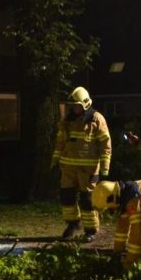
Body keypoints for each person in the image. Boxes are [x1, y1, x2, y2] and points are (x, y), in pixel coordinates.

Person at [51, 86, 111, 242]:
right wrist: (54, 161)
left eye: (77, 105)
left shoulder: (97, 119)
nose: (74, 108)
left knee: (87, 200)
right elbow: (60, 142)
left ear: (85, 104)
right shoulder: (68, 120)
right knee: (67, 197)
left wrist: (105, 169)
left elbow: (105, 145)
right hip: (68, 168)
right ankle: (73, 224)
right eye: (73, 106)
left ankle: (90, 230)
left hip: (88, 170)